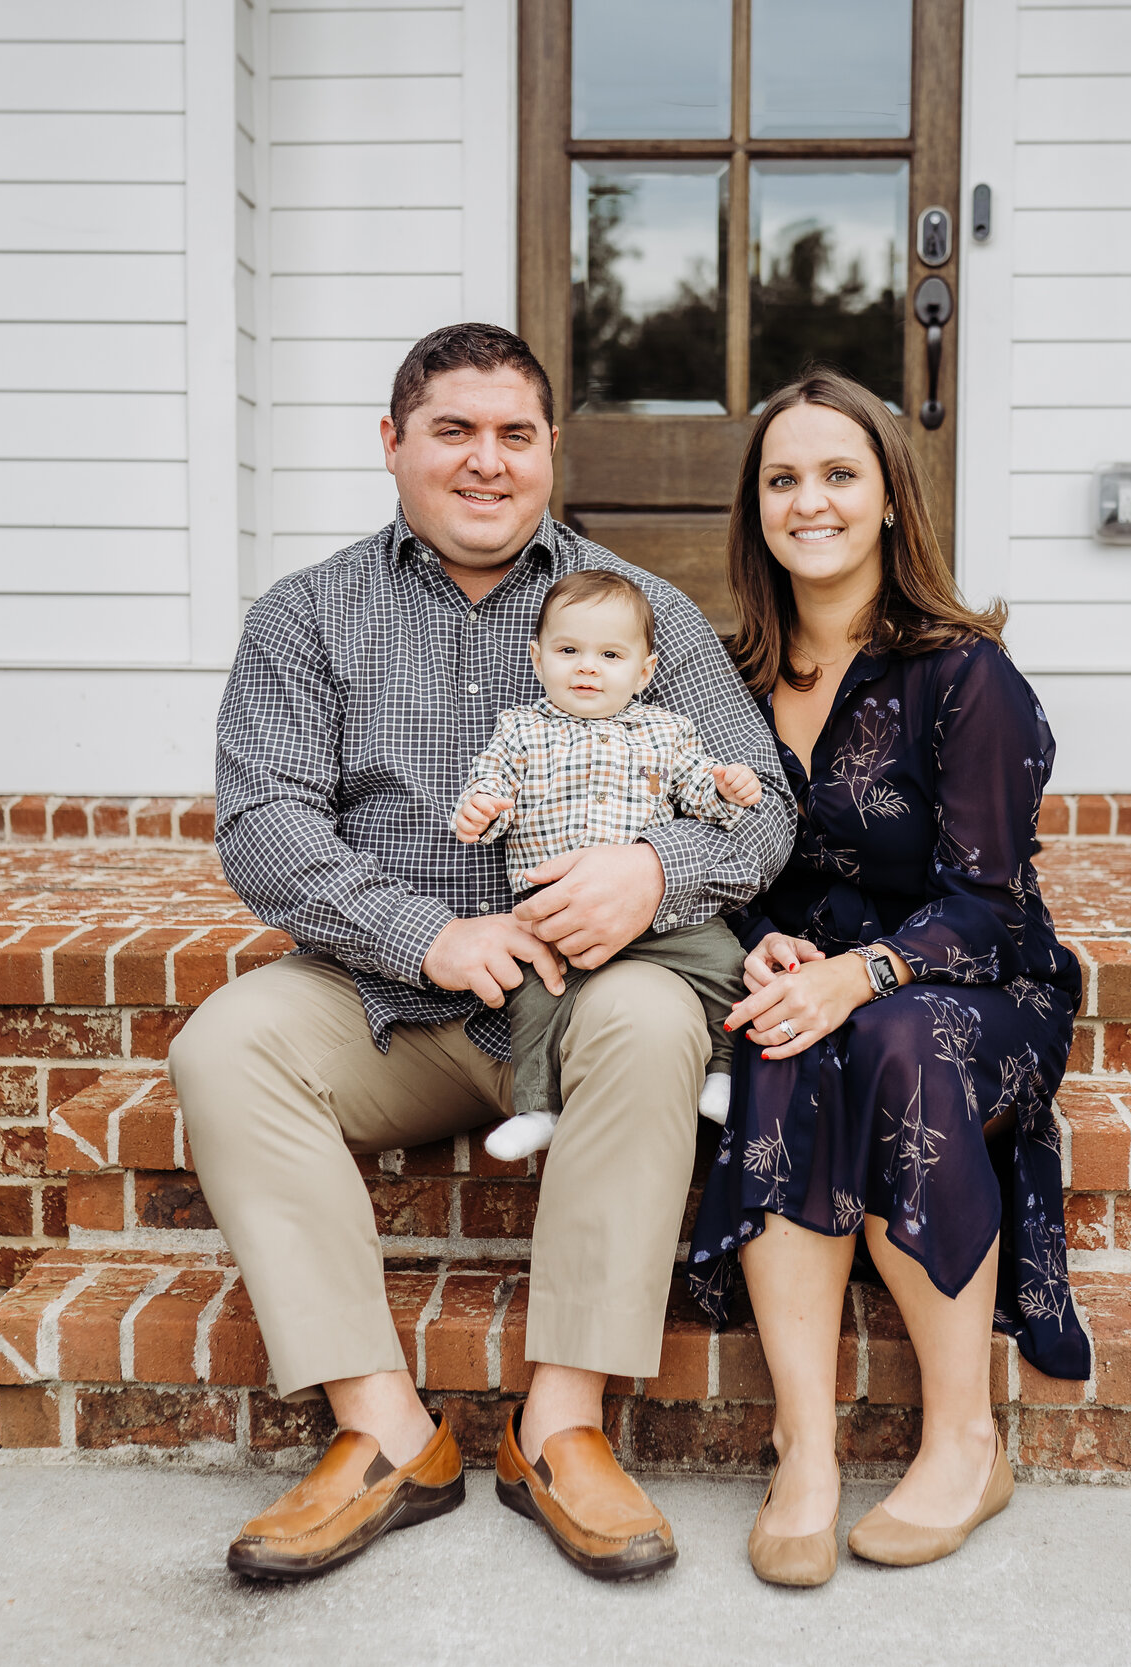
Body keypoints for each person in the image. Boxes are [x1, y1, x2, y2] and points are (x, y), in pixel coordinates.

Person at [172, 322, 794, 1584]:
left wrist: (655, 872)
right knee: (224, 1046)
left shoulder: (641, 609)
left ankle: (558, 1423)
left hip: (589, 997)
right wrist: (431, 933)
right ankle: (390, 1433)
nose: (485, 462)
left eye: (515, 434)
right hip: (385, 1000)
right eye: (452, 430)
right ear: (392, 444)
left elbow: (765, 803)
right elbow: (263, 825)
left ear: (553, 450)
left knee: (657, 1021)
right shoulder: (306, 617)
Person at [684, 369, 1090, 1588]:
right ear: (756, 508)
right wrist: (754, 939)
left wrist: (865, 971)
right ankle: (804, 1449)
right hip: (817, 986)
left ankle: (965, 1439)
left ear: (891, 500)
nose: (809, 499)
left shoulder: (966, 676)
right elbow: (714, 856)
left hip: (975, 989)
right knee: (779, 1027)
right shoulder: (724, 679)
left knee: (897, 1036)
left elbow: (985, 900)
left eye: (838, 473)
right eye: (783, 478)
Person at [453, 567, 764, 1161]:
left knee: (728, 965)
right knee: (536, 998)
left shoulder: (666, 733)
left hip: (657, 917)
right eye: (569, 650)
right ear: (539, 659)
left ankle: (723, 1073)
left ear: (643, 671)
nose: (587, 666)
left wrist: (726, 787)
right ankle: (539, 1107)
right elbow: (492, 785)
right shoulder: (521, 731)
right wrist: (481, 811)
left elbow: (697, 790)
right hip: (556, 918)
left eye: (610, 654)